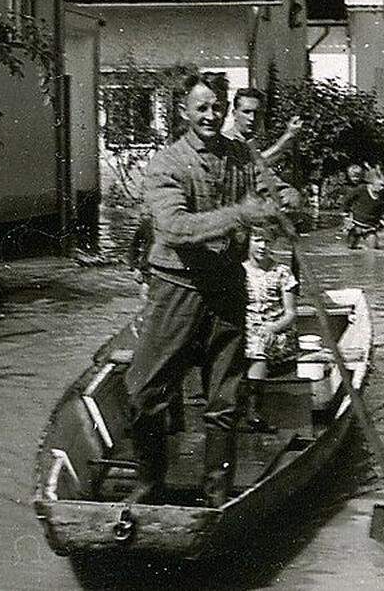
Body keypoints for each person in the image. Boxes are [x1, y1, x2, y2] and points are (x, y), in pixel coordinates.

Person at [126, 73, 297, 507]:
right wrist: (242, 214)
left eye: (216, 107)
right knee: (145, 391)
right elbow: (175, 228)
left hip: (227, 289)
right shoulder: (167, 164)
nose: (210, 114)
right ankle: (149, 488)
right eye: (200, 107)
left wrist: (287, 200)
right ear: (183, 112)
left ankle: (217, 500)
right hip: (176, 286)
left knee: (224, 398)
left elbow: (270, 190)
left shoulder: (242, 156)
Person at [241, 225, 300, 430]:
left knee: (259, 342)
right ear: (248, 242)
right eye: (257, 240)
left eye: (267, 241)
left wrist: (271, 328)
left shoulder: (282, 272)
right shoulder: (240, 271)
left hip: (276, 330)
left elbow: (291, 314)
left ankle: (254, 409)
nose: (262, 246)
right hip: (247, 329)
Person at [225, 87, 303, 166]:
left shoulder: (252, 141)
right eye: (246, 112)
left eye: (257, 113)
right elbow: (256, 165)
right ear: (234, 114)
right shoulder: (226, 141)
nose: (252, 118)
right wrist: (286, 137)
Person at [343, 172, 384, 249]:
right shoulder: (361, 190)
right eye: (381, 185)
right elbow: (346, 202)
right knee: (350, 248)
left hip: (371, 227)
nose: (382, 188)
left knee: (373, 250)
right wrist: (346, 217)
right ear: (373, 182)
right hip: (355, 225)